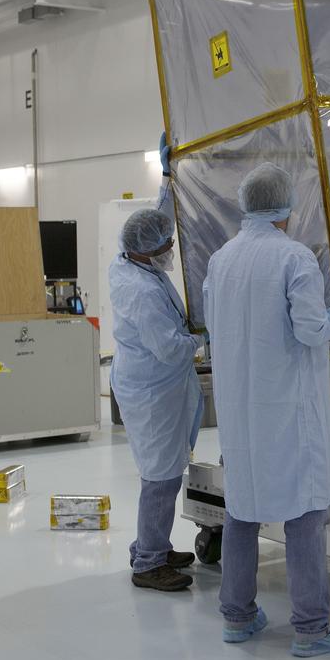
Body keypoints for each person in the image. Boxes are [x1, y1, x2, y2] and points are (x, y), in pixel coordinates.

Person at [203, 162, 330, 658]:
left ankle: (237, 616)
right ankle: (312, 629)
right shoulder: (294, 258)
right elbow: (310, 330)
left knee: (242, 509)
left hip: (241, 410)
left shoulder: (221, 260)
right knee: (305, 513)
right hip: (289, 409)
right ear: (286, 208)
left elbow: (214, 324)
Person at [108, 134, 205, 592]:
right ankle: (148, 563)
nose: (171, 247)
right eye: (166, 244)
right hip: (153, 390)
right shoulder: (142, 291)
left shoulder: (130, 259)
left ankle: (155, 546)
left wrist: (168, 176)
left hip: (153, 382)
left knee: (164, 471)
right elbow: (171, 348)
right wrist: (205, 336)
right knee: (161, 477)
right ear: (148, 250)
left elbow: (158, 219)